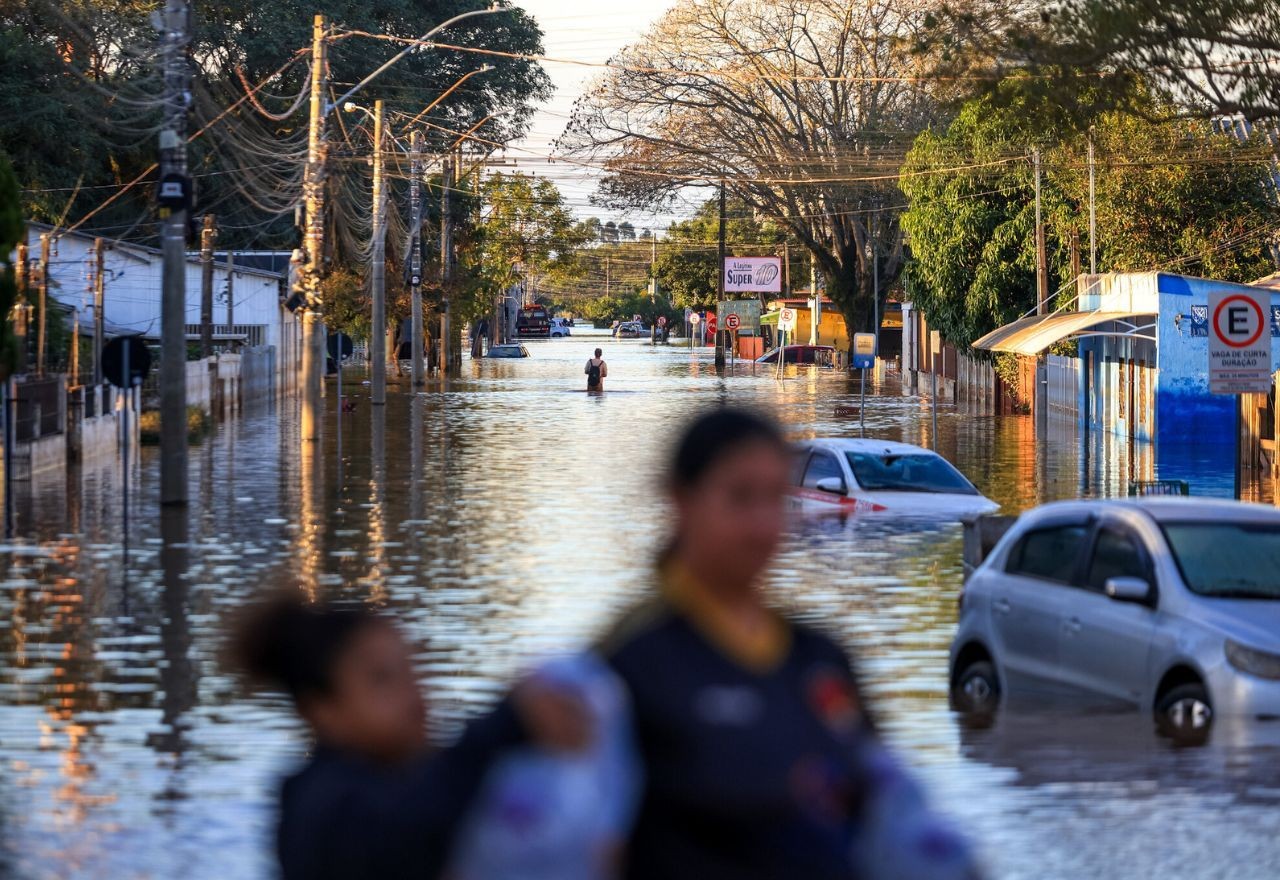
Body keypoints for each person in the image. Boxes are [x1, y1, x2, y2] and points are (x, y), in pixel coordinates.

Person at [598, 408, 979, 880]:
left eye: (775, 499)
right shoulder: (620, 669)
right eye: (740, 498)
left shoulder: (821, 660)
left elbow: (888, 810)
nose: (763, 526)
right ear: (680, 499)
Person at [233, 597, 589, 880]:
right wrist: (504, 724)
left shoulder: (399, 777)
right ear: (323, 710)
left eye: (413, 669)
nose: (414, 695)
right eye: (382, 679)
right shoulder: (323, 805)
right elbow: (404, 826)